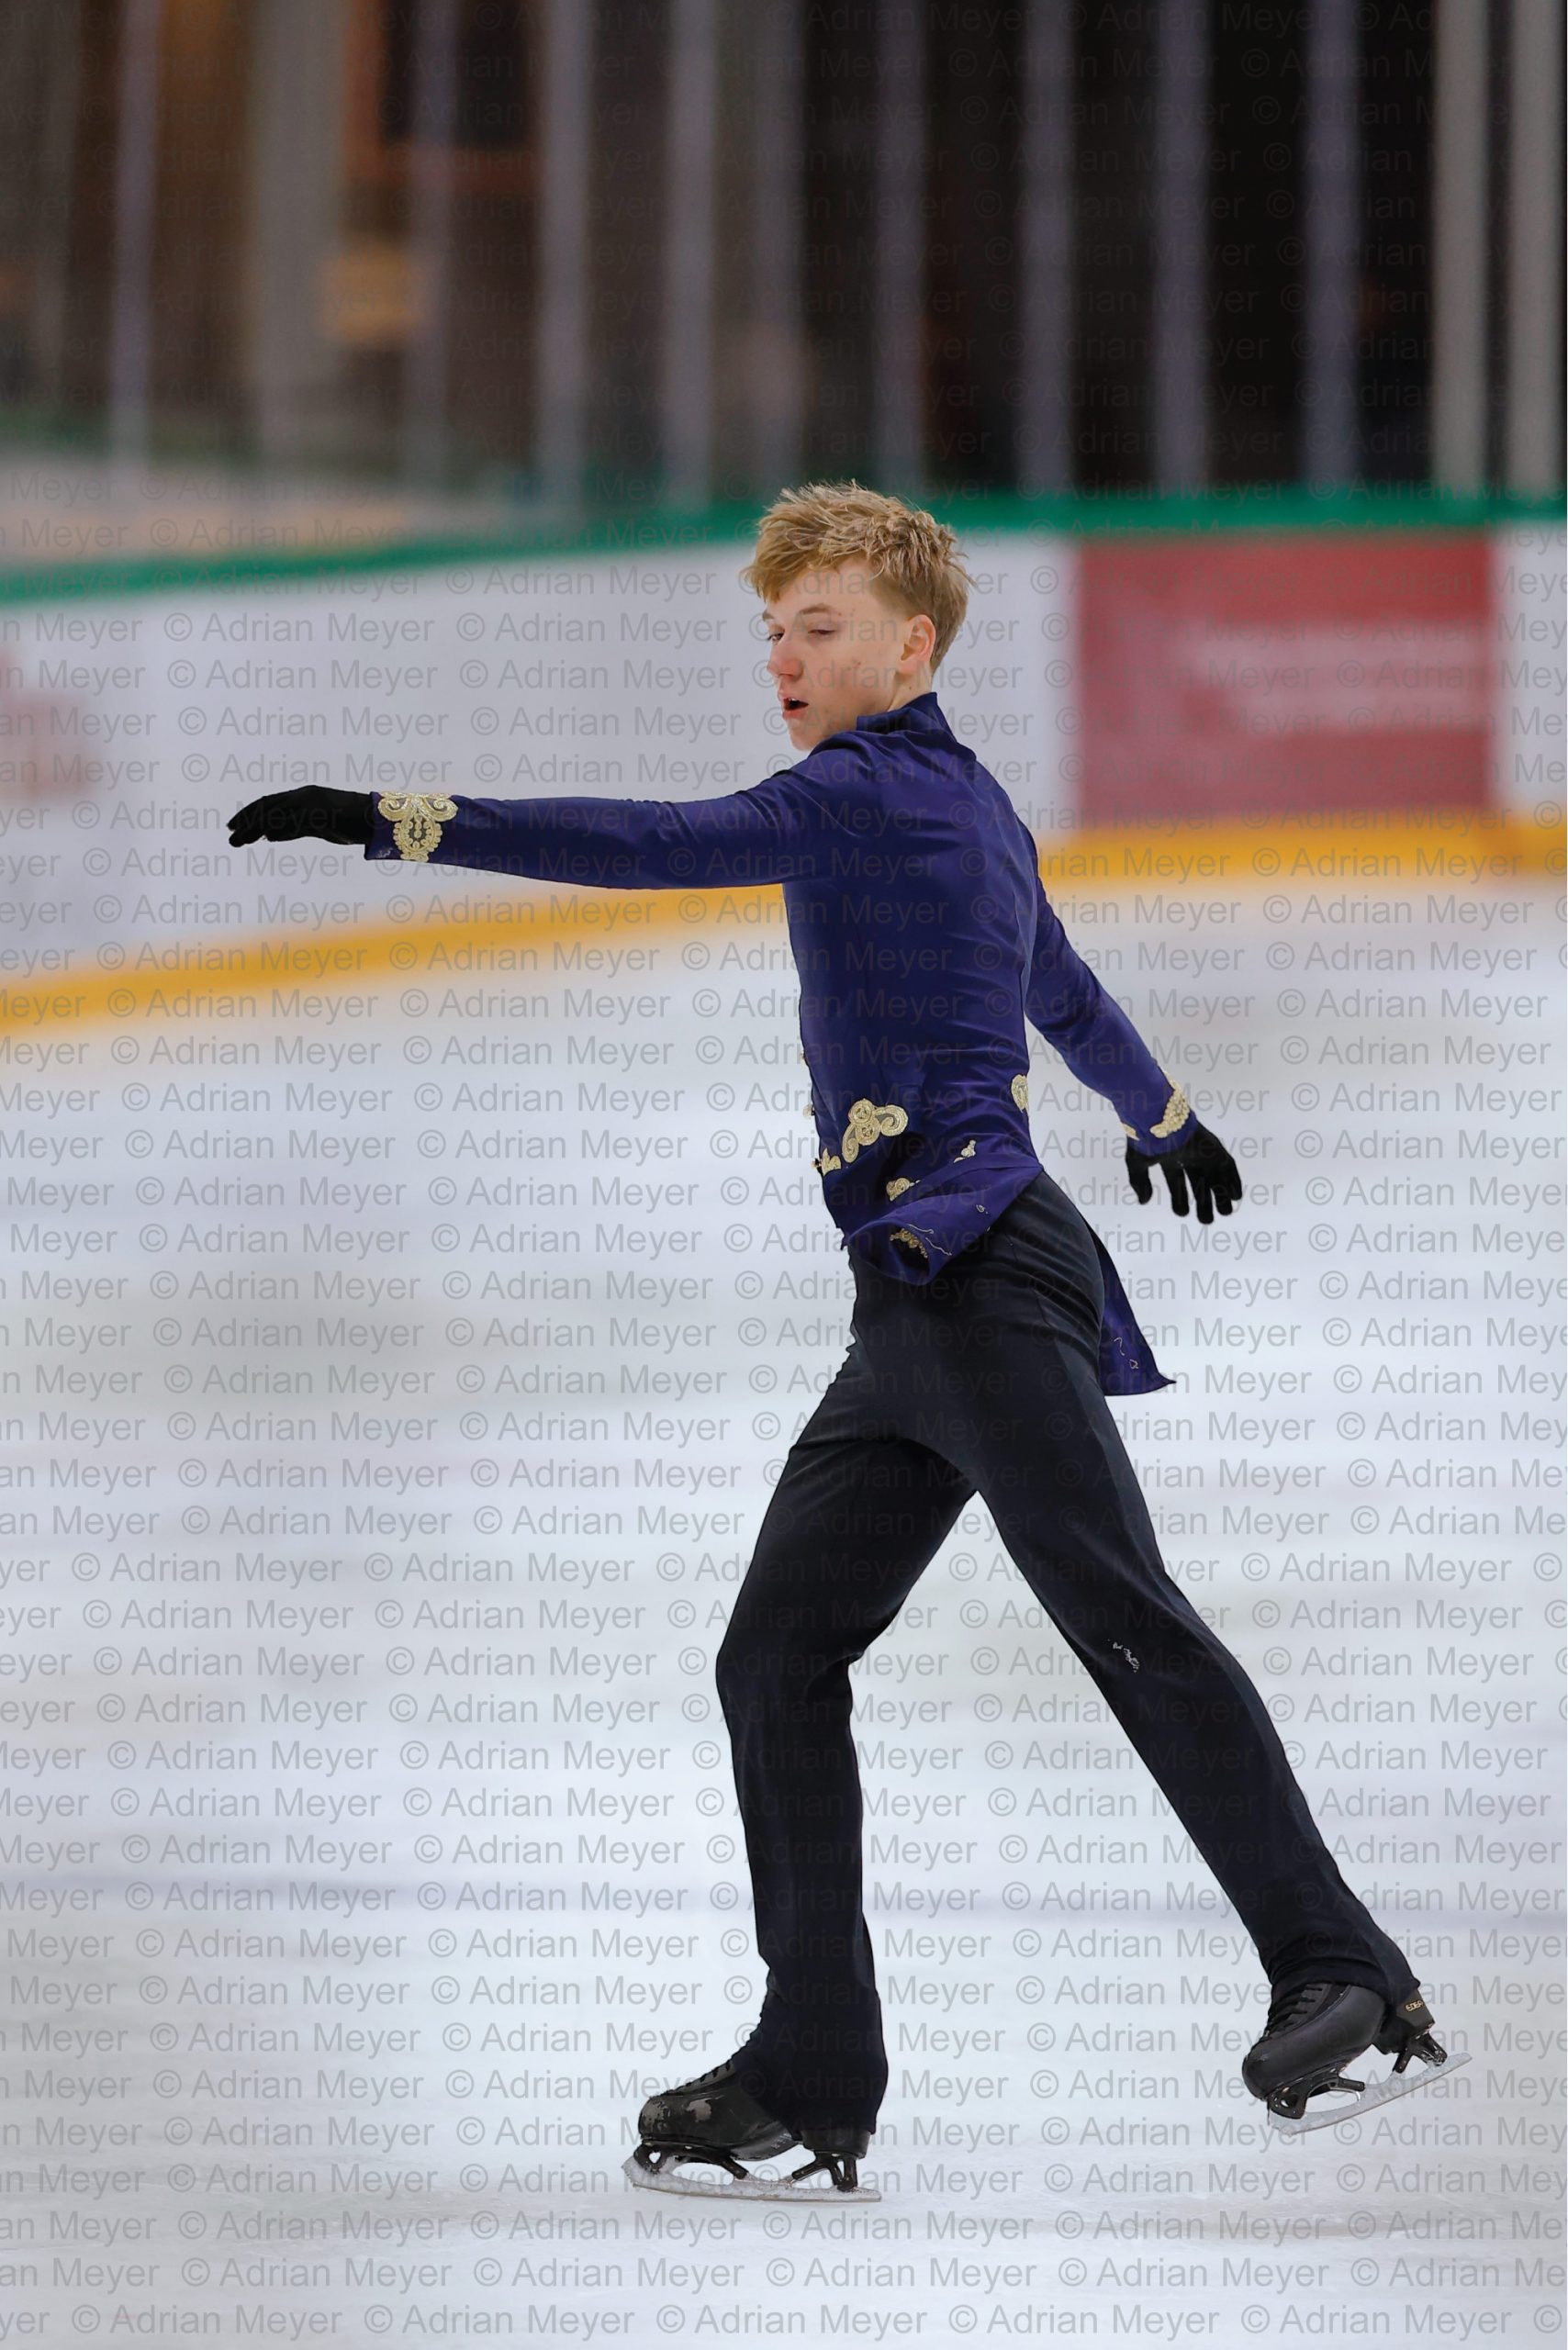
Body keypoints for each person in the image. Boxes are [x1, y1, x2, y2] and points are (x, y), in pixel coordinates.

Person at [230, 481, 1460, 2199]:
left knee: (1122, 1618)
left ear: (912, 646)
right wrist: (1160, 1110)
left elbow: (651, 847)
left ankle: (1347, 1973)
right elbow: (1068, 989)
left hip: (976, 1273)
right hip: (915, 1309)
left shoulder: (867, 794)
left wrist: (398, 818)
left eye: (821, 630)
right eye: (775, 631)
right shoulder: (964, 798)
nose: (787, 659)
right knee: (778, 1658)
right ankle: (813, 2068)